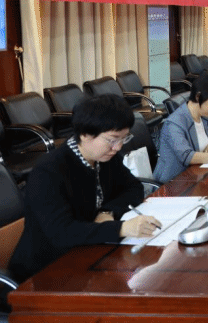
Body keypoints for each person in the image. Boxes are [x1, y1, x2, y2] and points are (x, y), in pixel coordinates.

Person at [9, 95, 162, 283]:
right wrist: (121, 228)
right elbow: (61, 233)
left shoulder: (105, 157)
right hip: (46, 270)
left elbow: (133, 187)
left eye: (124, 138)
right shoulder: (48, 172)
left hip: (88, 251)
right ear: (84, 134)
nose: (118, 147)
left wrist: (108, 212)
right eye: (112, 139)